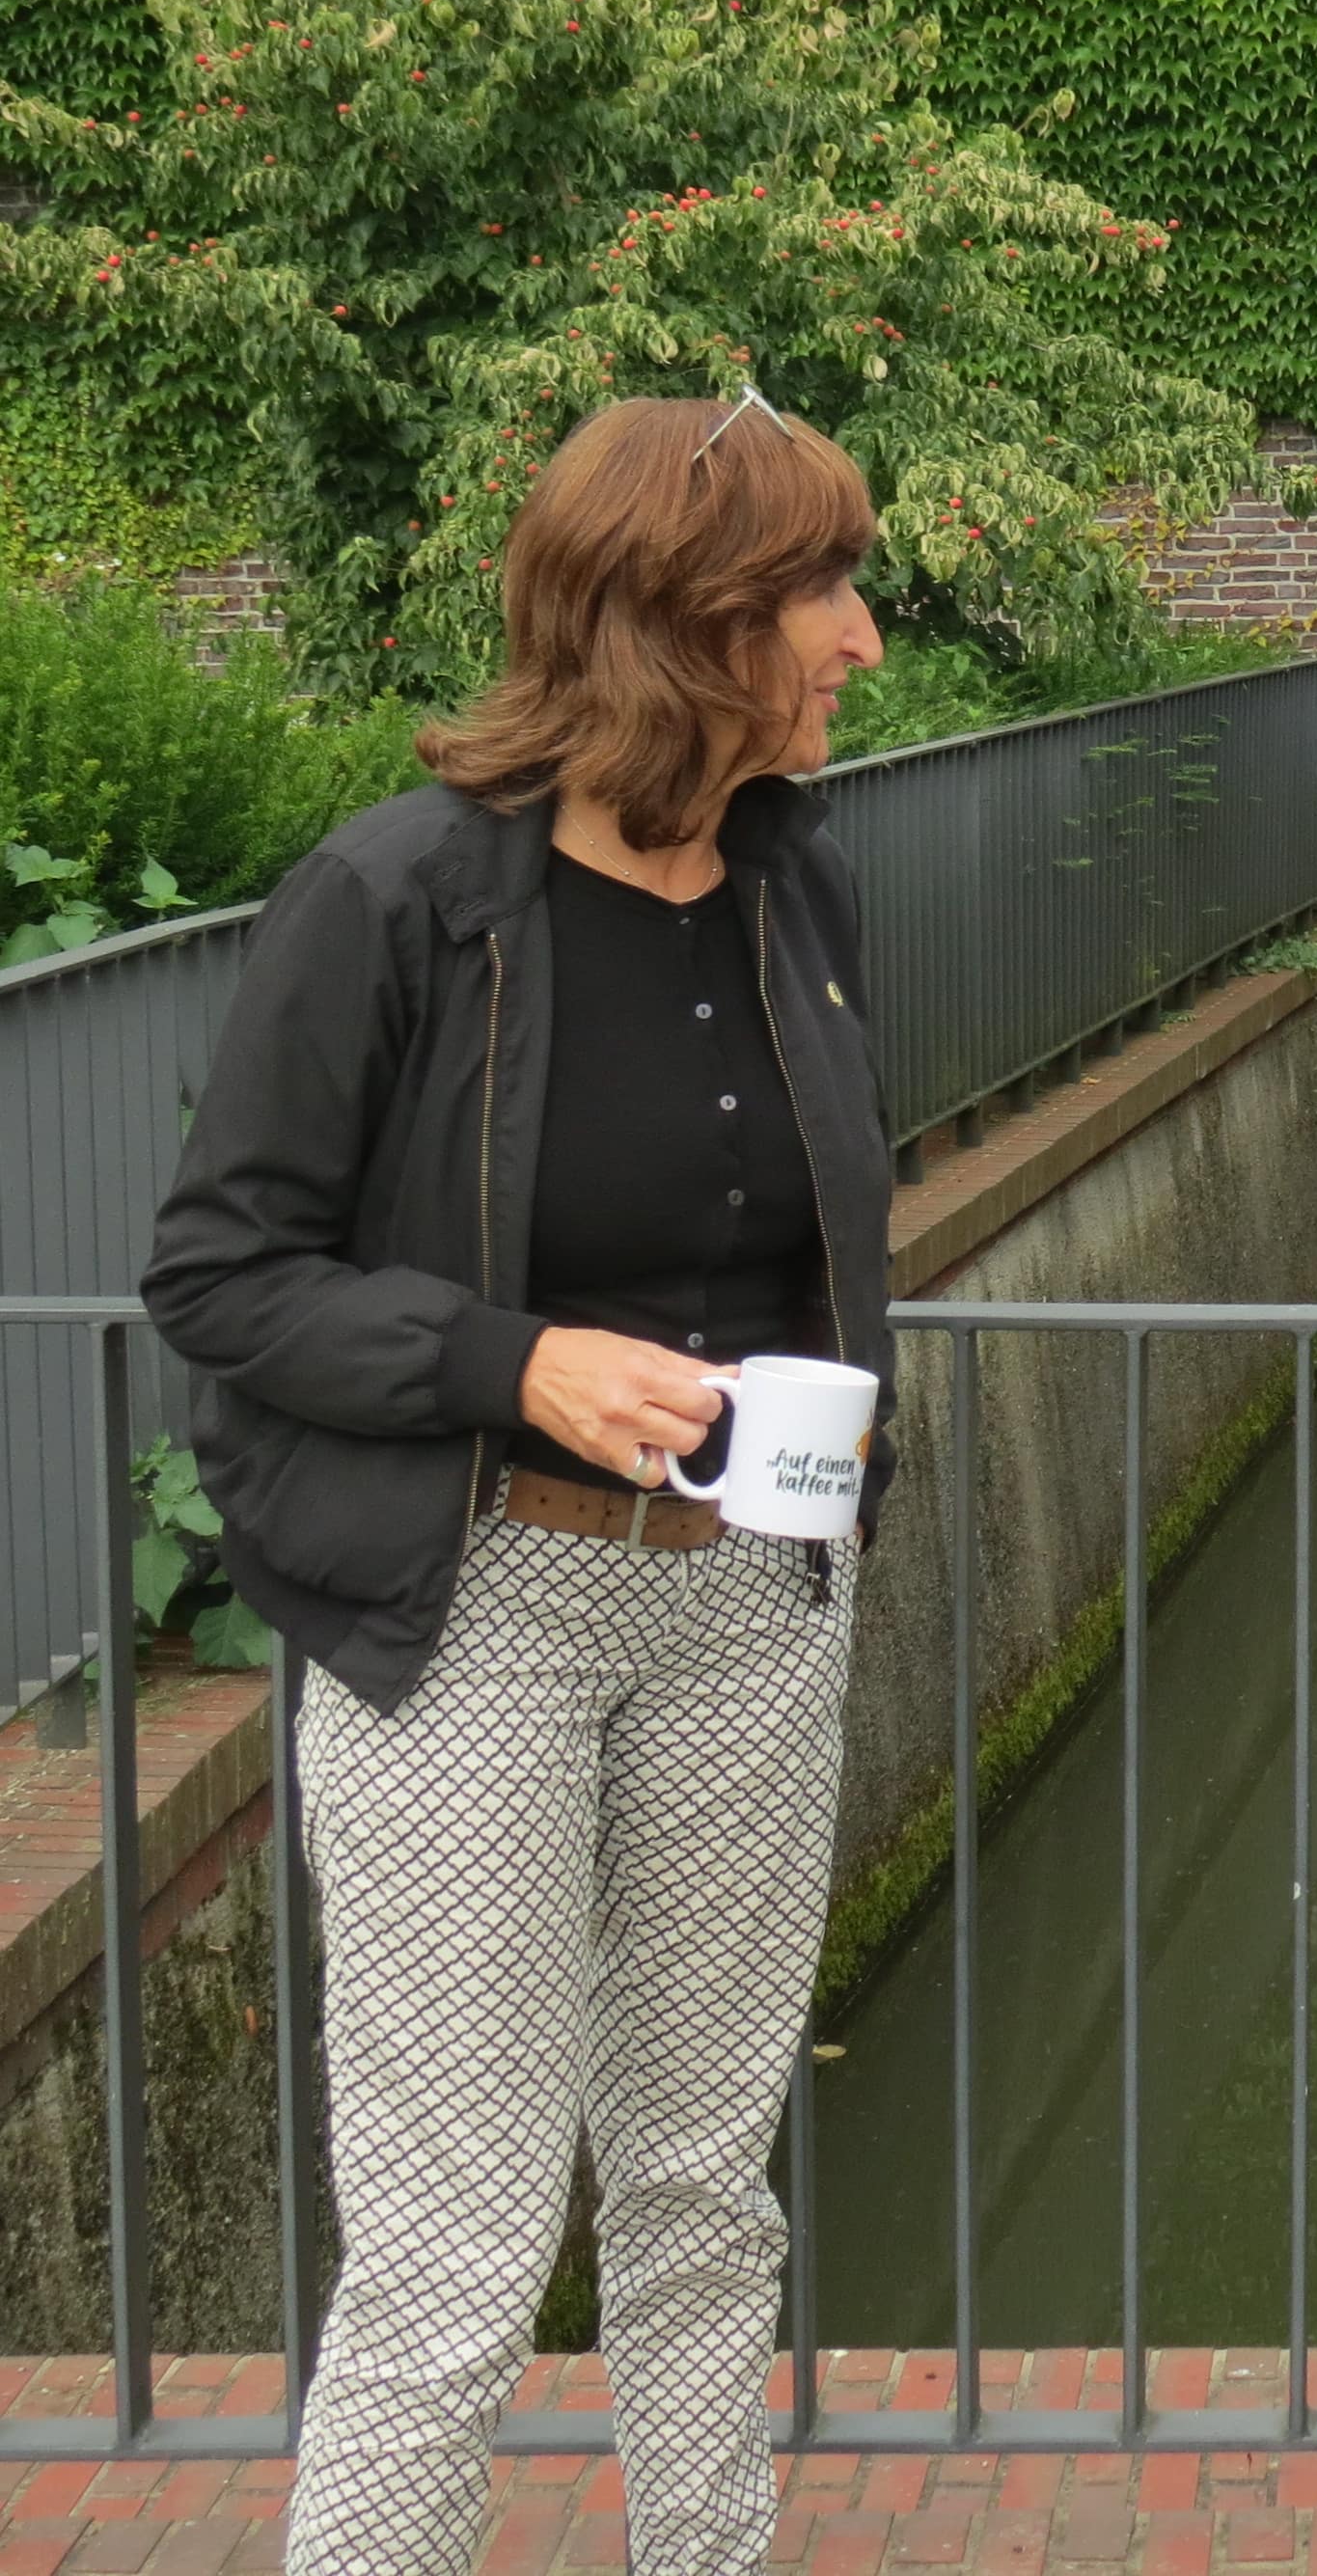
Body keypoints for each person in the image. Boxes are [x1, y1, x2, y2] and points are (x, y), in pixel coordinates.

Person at [142, 389, 897, 2576]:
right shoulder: (394, 897)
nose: (860, 636)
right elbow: (220, 1271)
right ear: (685, 620)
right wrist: (509, 1363)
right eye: (821, 592)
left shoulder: (798, 880)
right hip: (472, 1621)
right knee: (458, 2252)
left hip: (749, 1613)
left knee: (692, 2196)